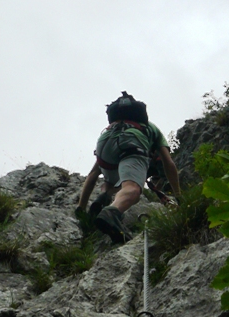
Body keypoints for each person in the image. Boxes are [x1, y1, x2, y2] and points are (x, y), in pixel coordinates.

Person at [77, 91, 181, 243]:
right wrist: (178, 195)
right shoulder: (151, 129)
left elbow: (92, 175)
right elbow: (168, 163)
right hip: (132, 144)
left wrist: (81, 208)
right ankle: (111, 212)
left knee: (115, 178)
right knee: (132, 188)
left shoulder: (115, 127)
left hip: (104, 144)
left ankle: (105, 193)